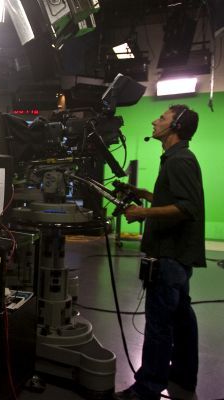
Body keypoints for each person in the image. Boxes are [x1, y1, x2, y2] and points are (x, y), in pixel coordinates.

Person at [114, 105, 205, 400]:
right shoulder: (177, 159)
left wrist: (143, 212)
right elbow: (174, 198)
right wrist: (144, 195)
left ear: (176, 126)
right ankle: (182, 376)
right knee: (181, 317)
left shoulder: (180, 161)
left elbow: (186, 208)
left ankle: (147, 388)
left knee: (158, 325)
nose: (155, 121)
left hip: (169, 255)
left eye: (162, 118)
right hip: (177, 255)